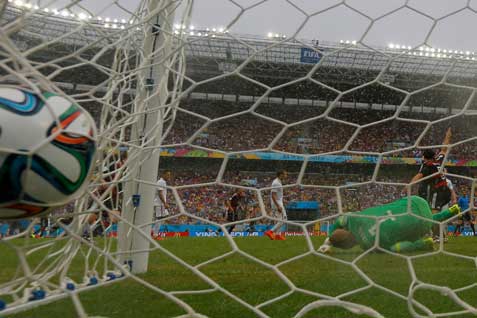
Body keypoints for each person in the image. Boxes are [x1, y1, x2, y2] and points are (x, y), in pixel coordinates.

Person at [318, 196, 460, 254]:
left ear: (348, 246)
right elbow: (340, 220)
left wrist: (330, 243)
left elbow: (393, 248)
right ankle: (450, 211)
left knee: (395, 247)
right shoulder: (355, 219)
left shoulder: (368, 246)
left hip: (422, 225)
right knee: (406, 212)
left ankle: (423, 244)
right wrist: (328, 238)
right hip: (415, 201)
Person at [411, 128, 452, 212]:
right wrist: (447, 137)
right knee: (437, 213)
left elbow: (419, 176)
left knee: (433, 213)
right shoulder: (439, 158)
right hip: (446, 191)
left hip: (438, 191)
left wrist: (408, 185)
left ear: (426, 158)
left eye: (423, 157)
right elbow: (444, 149)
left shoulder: (428, 166)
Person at [265, 170, 288, 240]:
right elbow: (273, 195)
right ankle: (270, 232)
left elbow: (277, 195)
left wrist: (282, 200)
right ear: (281, 175)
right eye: (285, 174)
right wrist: (278, 205)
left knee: (279, 220)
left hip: (278, 202)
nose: (286, 176)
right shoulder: (276, 183)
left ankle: (277, 235)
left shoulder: (278, 182)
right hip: (277, 203)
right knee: (284, 219)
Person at [152, 171, 171, 237]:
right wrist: (165, 203)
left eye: (169, 175)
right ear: (163, 174)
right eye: (168, 174)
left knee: (164, 216)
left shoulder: (163, 182)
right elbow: (160, 193)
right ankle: (155, 234)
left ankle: (154, 231)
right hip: (159, 203)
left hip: (160, 204)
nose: (169, 176)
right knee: (159, 218)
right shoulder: (161, 182)